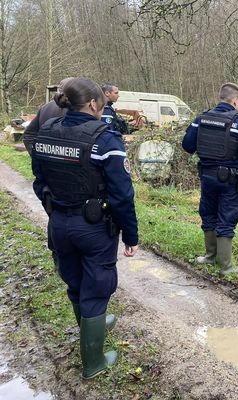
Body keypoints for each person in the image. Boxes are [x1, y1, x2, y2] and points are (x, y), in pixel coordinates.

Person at [31, 77, 139, 379]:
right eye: (102, 103)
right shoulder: (105, 139)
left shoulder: (47, 132)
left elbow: (39, 181)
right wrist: (131, 236)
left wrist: (57, 209)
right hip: (93, 228)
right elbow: (122, 195)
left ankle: (91, 325)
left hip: (59, 223)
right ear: (93, 104)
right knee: (96, 288)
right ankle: (94, 362)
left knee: (75, 282)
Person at [182, 83, 238, 275]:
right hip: (229, 180)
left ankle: (209, 256)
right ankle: (225, 265)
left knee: (208, 213)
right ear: (235, 101)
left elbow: (187, 146)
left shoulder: (201, 119)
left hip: (207, 177)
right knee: (227, 217)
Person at [23, 77, 73, 269]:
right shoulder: (78, 109)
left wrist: (40, 158)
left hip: (50, 174)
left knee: (55, 214)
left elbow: (29, 135)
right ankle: (65, 259)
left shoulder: (45, 108)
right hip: (71, 172)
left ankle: (58, 256)